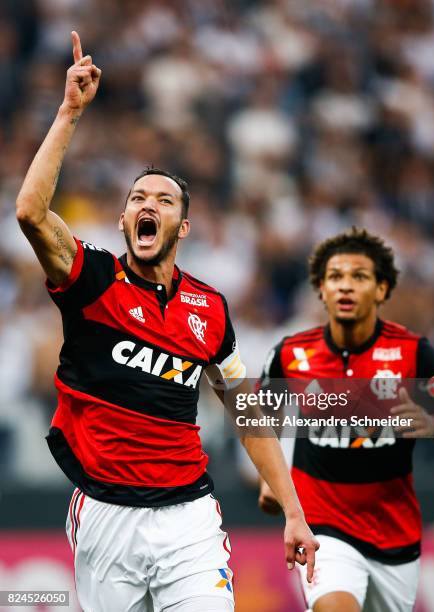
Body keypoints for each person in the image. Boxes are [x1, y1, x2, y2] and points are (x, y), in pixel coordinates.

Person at [15, 31, 317, 612]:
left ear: (181, 227)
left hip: (189, 517)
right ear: (126, 219)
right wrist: (69, 111)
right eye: (137, 197)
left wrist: (294, 512)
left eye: (164, 199)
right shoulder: (91, 280)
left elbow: (246, 409)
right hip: (106, 516)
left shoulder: (209, 308)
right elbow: (30, 211)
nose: (148, 204)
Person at [258, 228, 434, 612]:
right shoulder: (291, 355)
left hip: (395, 537)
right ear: (321, 289)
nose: (345, 286)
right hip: (323, 528)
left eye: (359, 276)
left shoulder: (414, 354)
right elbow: (256, 417)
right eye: (335, 277)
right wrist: (268, 477)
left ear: (381, 289)